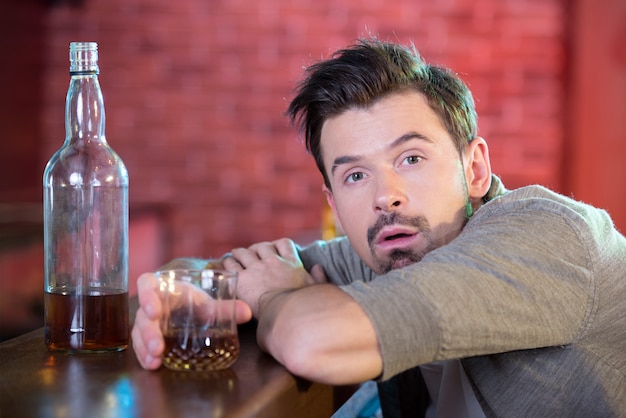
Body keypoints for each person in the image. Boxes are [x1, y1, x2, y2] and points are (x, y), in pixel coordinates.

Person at [132, 38, 626, 417]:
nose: (384, 196)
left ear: (474, 169)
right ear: (334, 202)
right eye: (355, 175)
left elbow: (310, 338)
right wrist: (179, 293)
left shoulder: (548, 236)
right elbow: (231, 272)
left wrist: (272, 299)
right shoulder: (387, 252)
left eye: (410, 158)